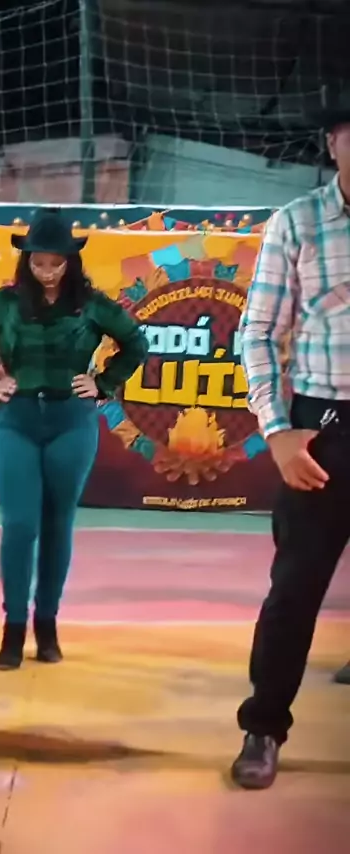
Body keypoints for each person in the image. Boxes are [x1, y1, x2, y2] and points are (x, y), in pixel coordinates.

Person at [0, 209, 148, 670]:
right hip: (16, 421)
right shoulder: (4, 302)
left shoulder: (93, 304)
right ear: (26, 260)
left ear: (70, 260)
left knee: (58, 524)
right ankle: (13, 627)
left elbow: (135, 343)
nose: (46, 271)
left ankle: (47, 625)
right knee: (20, 525)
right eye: (38, 262)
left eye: (55, 263)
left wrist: (104, 382)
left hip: (71, 422)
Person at [231, 108, 350, 789]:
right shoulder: (298, 223)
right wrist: (276, 432)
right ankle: (264, 725)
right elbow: (257, 333)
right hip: (323, 429)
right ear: (333, 141)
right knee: (296, 589)